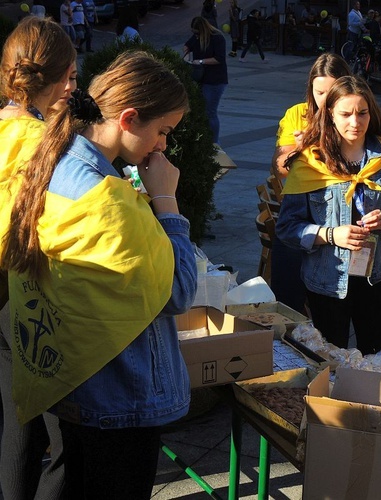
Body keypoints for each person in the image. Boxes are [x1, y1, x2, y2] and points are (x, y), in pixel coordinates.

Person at [0, 50, 196, 499]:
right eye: (162, 132)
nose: (163, 146)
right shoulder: (103, 194)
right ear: (128, 118)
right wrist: (166, 201)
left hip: (76, 380)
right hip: (121, 396)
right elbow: (178, 291)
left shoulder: (54, 157)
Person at [276, 76, 381, 356]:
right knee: (329, 362)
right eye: (346, 114)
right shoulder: (309, 162)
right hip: (326, 282)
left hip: (375, 278)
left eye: (362, 113)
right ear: (329, 115)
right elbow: (287, 227)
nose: (355, 122)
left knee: (375, 361)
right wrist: (330, 234)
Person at [0, 18, 77, 500]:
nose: (74, 86)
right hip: (32, 297)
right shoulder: (46, 144)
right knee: (65, 439)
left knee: (17, 426)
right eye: (71, 77)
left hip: (2, 298)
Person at [270, 53, 352, 314]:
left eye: (333, 91)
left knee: (331, 309)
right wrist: (301, 148)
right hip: (300, 211)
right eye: (319, 92)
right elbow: (281, 169)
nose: (325, 99)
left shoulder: (353, 118)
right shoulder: (298, 114)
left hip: (337, 216)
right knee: (288, 297)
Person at [184, 16, 228, 144]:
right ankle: (204, 140)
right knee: (202, 110)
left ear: (202, 29)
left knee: (210, 111)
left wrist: (201, 61)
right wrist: (187, 54)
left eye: (196, 32)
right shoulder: (197, 37)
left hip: (215, 80)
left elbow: (219, 58)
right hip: (201, 78)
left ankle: (214, 143)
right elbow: (187, 46)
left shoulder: (217, 38)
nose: (195, 35)